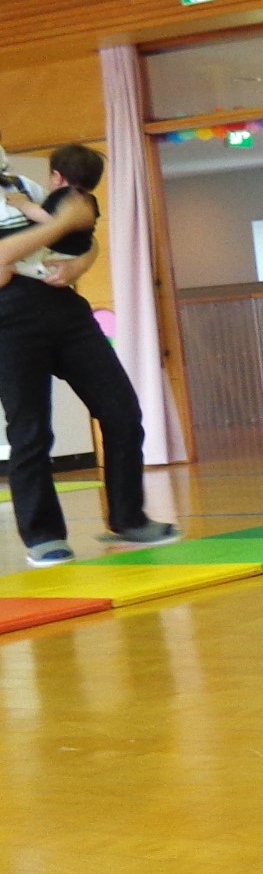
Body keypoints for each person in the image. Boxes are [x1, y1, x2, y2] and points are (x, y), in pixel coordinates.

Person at [0, 142, 179, 565]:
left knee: (121, 411)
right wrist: (59, 224)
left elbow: (81, 237)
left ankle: (128, 518)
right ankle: (43, 536)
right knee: (31, 431)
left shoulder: (22, 186)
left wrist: (80, 264)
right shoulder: (32, 197)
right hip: (8, 322)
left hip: (65, 310)